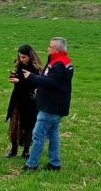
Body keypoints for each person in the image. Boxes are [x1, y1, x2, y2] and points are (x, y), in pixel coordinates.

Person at [21, 37, 74, 171]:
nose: (48, 48)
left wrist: (31, 77)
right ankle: (54, 164)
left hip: (50, 107)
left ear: (57, 49)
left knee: (38, 135)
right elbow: (55, 82)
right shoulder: (64, 61)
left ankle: (31, 164)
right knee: (53, 136)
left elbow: (52, 82)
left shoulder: (58, 64)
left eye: (50, 46)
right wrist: (41, 87)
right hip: (57, 106)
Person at [6, 44, 43, 158]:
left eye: (24, 57)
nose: (21, 59)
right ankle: (14, 148)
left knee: (28, 125)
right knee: (15, 124)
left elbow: (35, 85)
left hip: (29, 102)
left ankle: (26, 151)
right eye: (20, 57)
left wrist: (19, 82)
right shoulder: (19, 65)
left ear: (30, 56)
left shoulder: (35, 69)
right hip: (17, 99)